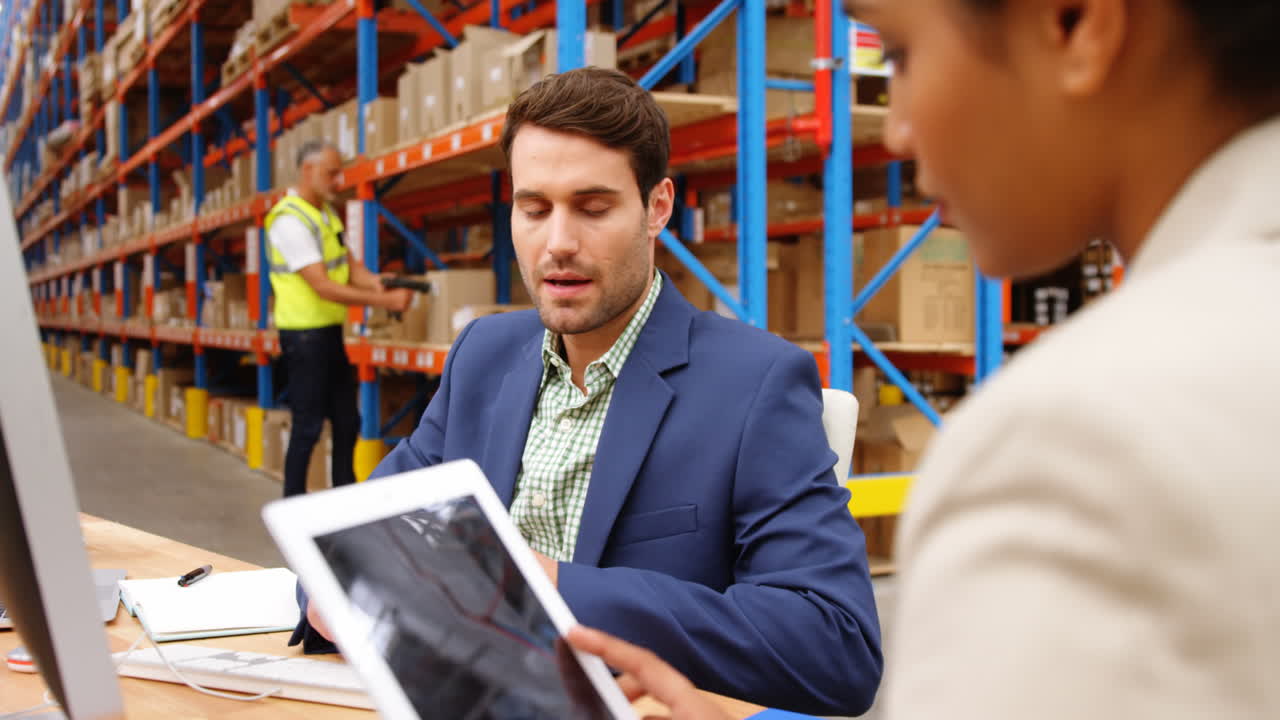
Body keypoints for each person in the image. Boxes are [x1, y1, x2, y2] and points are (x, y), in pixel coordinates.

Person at [566, 0, 1280, 717]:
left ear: (1076, 21)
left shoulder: (1073, 445)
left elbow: (833, 646)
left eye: (901, 55)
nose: (898, 129)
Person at [290, 69, 883, 716]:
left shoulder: (755, 384)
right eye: (534, 208)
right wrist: (332, 587)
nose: (558, 243)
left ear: (657, 207)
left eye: (594, 208)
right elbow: (354, 537)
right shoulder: (482, 357)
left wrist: (543, 591)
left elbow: (834, 645)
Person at [266, 140, 413, 498]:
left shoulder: (325, 214)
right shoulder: (289, 220)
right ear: (308, 171)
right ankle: (293, 506)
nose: (338, 180)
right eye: (332, 173)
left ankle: (344, 502)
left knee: (348, 421)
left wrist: (378, 281)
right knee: (308, 426)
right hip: (302, 337)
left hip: (329, 334)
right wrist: (383, 299)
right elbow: (323, 285)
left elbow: (349, 268)